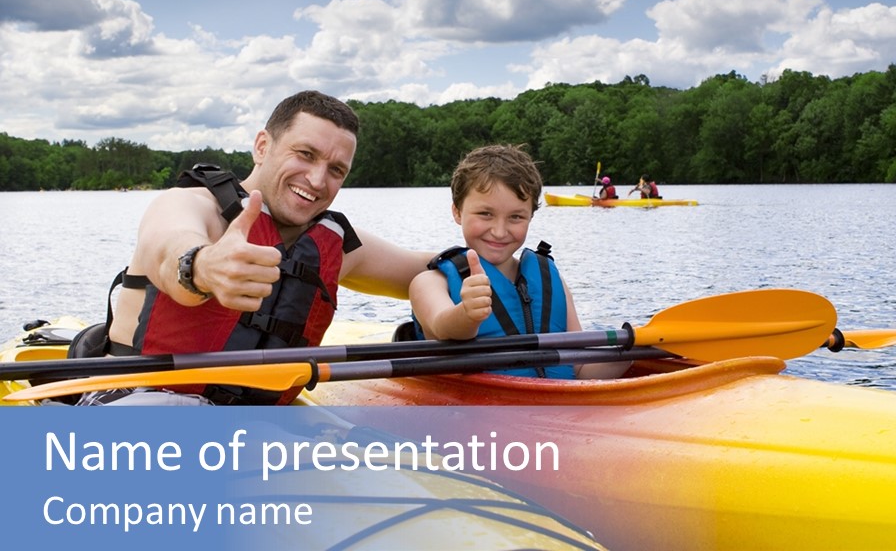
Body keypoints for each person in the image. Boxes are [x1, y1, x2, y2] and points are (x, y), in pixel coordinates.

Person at [82, 90, 433, 405]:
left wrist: (483, 237)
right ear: (263, 146)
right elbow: (169, 250)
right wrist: (204, 267)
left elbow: (428, 271)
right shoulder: (190, 205)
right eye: (305, 154)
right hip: (140, 404)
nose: (316, 180)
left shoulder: (337, 244)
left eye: (336, 170)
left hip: (252, 425)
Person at [408, 144, 629, 380]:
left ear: (530, 217)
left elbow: (581, 368)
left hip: (556, 407)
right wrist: (466, 314)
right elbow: (442, 326)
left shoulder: (551, 281)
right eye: (485, 214)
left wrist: (632, 351)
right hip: (476, 411)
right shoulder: (428, 284)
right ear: (457, 212)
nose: (500, 231)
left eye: (516, 217)